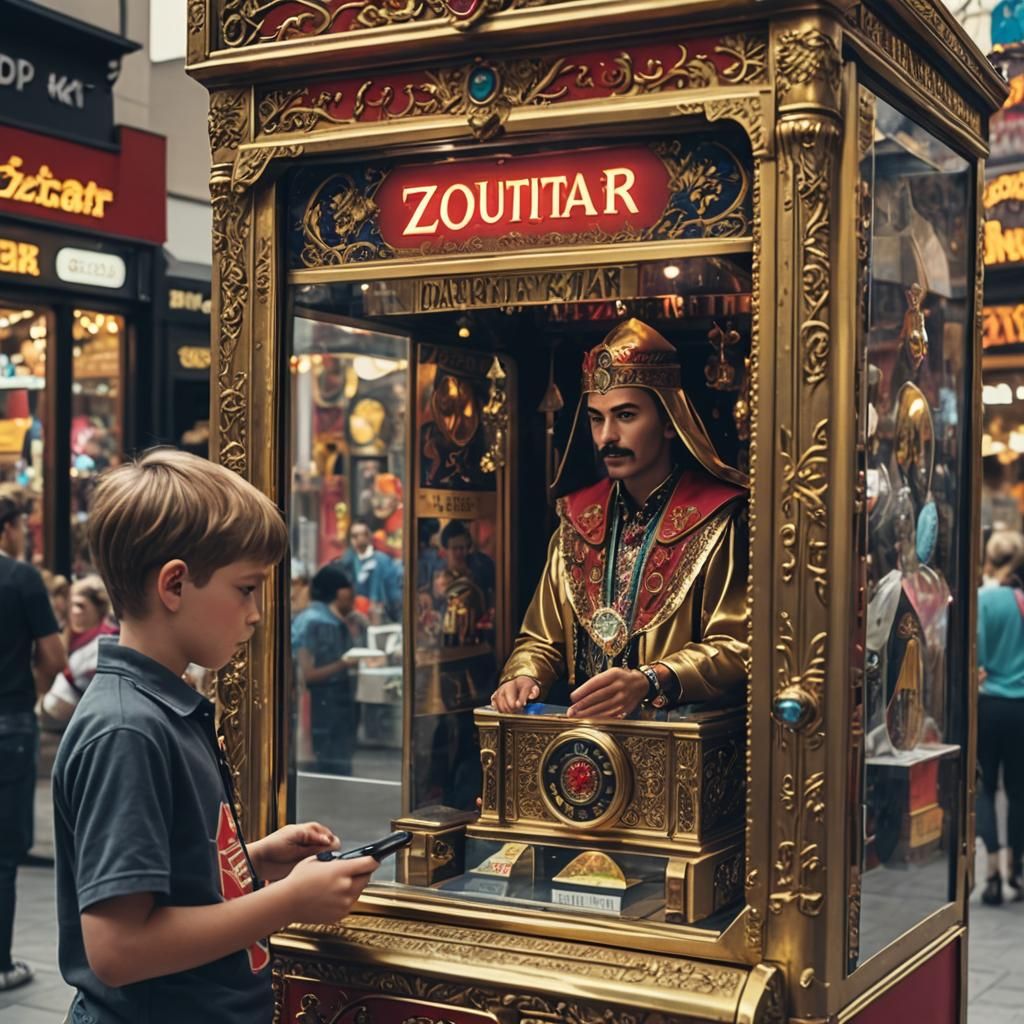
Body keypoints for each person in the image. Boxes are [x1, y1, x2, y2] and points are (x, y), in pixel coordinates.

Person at [52, 449, 378, 1023]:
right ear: (174, 584)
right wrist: (289, 901)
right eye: (246, 589)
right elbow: (118, 948)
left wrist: (252, 861)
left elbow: (162, 882)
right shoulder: (127, 728)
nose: (255, 614)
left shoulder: (158, 709)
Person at [492, 318, 749, 718]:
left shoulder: (717, 518)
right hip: (584, 744)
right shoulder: (576, 520)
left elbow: (739, 647)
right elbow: (541, 639)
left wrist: (651, 679)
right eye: (597, 418)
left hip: (680, 747)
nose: (606, 437)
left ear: (668, 421)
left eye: (625, 416)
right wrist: (523, 675)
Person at [0, 495, 65, 992]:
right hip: (9, 722)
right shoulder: (22, 579)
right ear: (8, 529)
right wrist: (36, 695)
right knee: (3, 850)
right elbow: (52, 653)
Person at [977, 545, 1024, 906]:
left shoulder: (983, 601)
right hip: (1020, 707)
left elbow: (975, 656)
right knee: (1020, 791)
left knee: (985, 787)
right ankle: (1017, 871)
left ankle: (991, 873)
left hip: (989, 704)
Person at [292, 564, 359, 776]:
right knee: (331, 766)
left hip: (339, 701)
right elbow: (308, 673)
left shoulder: (333, 619)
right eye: (348, 587)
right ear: (339, 592)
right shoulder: (313, 621)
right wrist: (344, 663)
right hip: (324, 702)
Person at [38, 576, 119, 731]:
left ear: (99, 608)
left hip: (71, 721)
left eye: (81, 605)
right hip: (54, 717)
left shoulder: (105, 642)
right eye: (73, 605)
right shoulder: (73, 636)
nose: (74, 612)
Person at [336, 520, 401, 622]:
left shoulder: (382, 560)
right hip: (355, 618)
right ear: (351, 539)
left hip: (383, 615)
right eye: (355, 536)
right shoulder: (347, 563)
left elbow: (394, 594)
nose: (360, 539)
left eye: (364, 534)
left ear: (370, 536)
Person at [440, 520, 495, 605]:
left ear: (468, 547)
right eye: (454, 548)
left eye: (462, 548)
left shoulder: (481, 566)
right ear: (445, 550)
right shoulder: (439, 571)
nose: (459, 553)